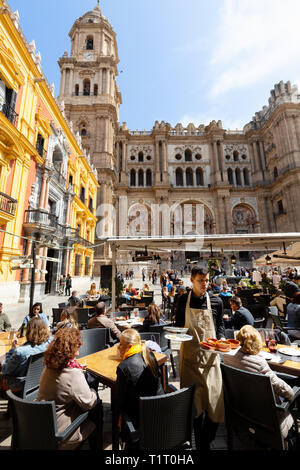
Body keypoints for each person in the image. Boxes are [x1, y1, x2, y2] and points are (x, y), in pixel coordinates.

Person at [175, 266, 225, 450]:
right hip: (189, 360)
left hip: (211, 360)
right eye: (200, 280)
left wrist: (219, 340)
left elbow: (220, 325)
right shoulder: (182, 300)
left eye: (206, 280)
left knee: (215, 404)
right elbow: (178, 324)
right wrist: (177, 335)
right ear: (191, 280)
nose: (205, 284)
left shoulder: (217, 301)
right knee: (195, 408)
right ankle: (201, 444)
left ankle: (206, 439)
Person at [223, 325, 295, 441]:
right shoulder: (259, 363)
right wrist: (293, 395)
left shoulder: (228, 357)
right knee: (293, 394)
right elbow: (285, 390)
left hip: (242, 409)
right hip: (267, 418)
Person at [37, 328, 103, 450]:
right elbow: (89, 403)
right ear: (69, 349)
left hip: (41, 425)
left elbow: (65, 384)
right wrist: (94, 391)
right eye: (77, 348)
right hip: (60, 433)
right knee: (97, 406)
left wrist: (77, 370)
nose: (78, 353)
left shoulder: (49, 366)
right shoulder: (72, 374)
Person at [116, 329, 164, 447]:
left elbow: (120, 401)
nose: (118, 347)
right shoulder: (150, 355)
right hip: (160, 414)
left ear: (130, 346)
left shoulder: (123, 367)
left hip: (138, 423)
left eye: (121, 344)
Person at [1, 317, 52, 392]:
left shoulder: (20, 351)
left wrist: (12, 349)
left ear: (28, 331)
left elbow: (6, 371)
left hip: (19, 384)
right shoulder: (49, 344)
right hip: (39, 382)